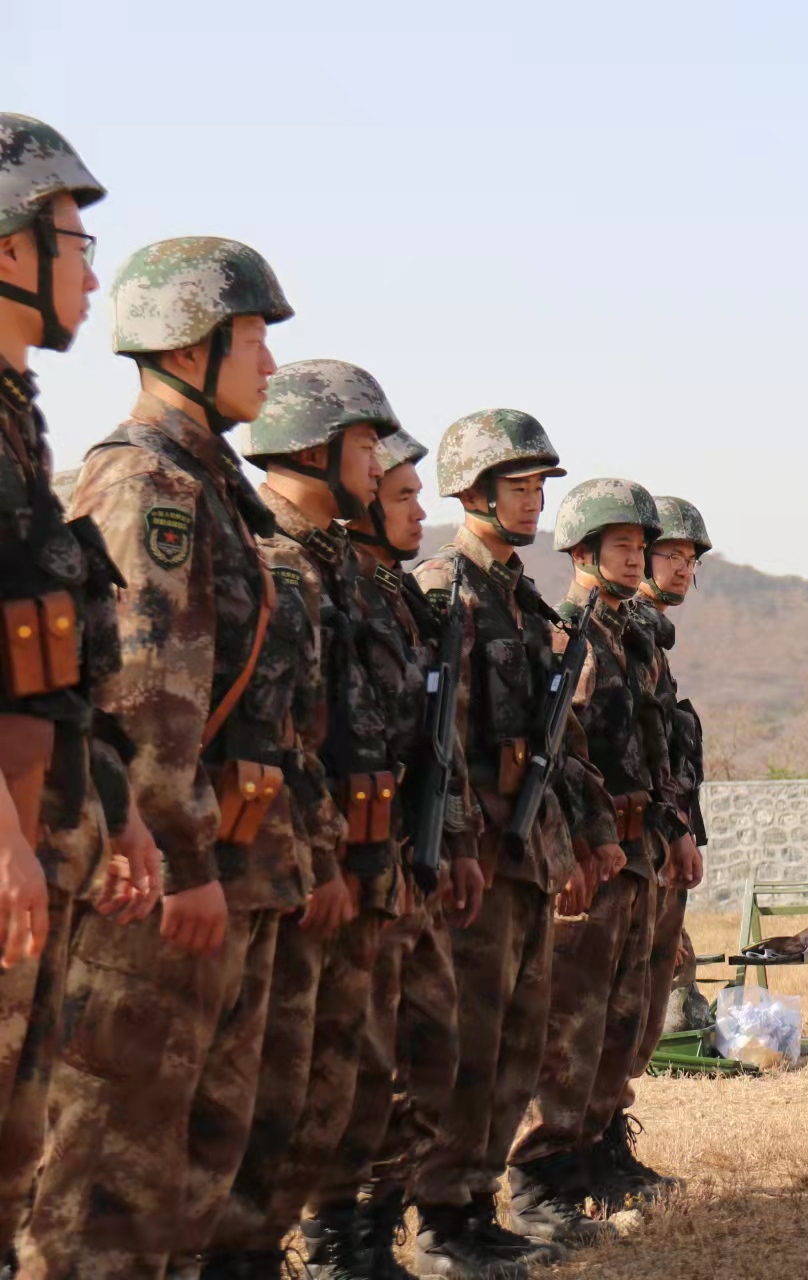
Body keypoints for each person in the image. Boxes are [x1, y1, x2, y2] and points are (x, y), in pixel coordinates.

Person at [20, 237, 313, 1280]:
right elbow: (148, 696)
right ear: (193, 346)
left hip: (211, 861)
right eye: (255, 340)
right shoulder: (149, 485)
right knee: (112, 1179)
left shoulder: (208, 485)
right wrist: (184, 860)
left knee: (190, 1167)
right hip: (157, 877)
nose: (271, 368)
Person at [0, 111, 161, 1258]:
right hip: (6, 840)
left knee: (14, 1156)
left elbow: (58, 663)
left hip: (45, 832)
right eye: (73, 237)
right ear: (9, 247)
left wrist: (121, 808)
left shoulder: (17, 427)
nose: (92, 271)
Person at [410, 410, 620, 1273]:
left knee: (515, 1041)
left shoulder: (523, 602)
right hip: (477, 855)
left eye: (541, 486)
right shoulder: (442, 589)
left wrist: (576, 837)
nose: (537, 500)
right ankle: (439, 1221)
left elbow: (557, 747)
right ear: (473, 491)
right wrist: (455, 843)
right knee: (463, 1042)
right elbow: (436, 743)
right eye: (520, 485)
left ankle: (476, 1202)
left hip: (527, 851)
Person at [204, 360, 398, 1276]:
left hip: (317, 859)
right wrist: (320, 858)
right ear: (317, 449)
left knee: (304, 1096)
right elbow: (275, 737)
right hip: (256, 863)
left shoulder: (335, 568)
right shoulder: (270, 555)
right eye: (365, 445)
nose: (377, 464)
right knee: (240, 1099)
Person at [305, 423, 486, 1280]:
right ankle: (339, 1238)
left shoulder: (400, 598)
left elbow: (431, 746)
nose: (423, 512)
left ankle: (378, 1226)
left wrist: (450, 840)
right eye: (404, 495)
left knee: (429, 1054)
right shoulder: (331, 585)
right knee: (353, 1066)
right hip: (348, 862)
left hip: (406, 860)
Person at [507, 478, 680, 1237]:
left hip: (635, 849)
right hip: (592, 855)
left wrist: (670, 832)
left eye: (642, 545)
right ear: (580, 550)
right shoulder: (567, 632)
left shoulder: (626, 635)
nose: (638, 557)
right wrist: (577, 845)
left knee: (621, 1017)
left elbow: (653, 750)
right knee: (570, 1026)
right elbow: (562, 755)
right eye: (622, 545)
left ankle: (595, 1156)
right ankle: (545, 1176)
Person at [610, 495, 709, 1197]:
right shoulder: (615, 630)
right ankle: (579, 1154)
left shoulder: (650, 638)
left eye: (690, 560)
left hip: (656, 843)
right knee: (605, 1011)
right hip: (623, 846)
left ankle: (605, 1143)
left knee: (635, 1013)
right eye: (671, 554)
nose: (681, 569)